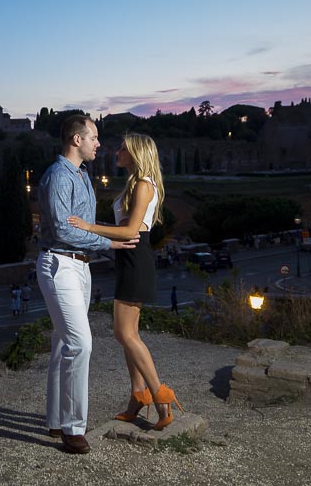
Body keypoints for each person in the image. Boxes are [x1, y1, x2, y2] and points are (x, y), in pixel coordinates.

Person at [67, 132, 183, 432]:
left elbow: (131, 231)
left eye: (122, 148)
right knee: (128, 334)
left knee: (125, 335)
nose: (116, 151)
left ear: (135, 153)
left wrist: (89, 228)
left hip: (135, 259)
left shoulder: (144, 185)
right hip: (129, 260)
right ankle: (137, 397)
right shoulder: (136, 184)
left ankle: (160, 394)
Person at [36, 115, 138, 454]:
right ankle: (73, 428)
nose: (99, 144)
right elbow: (65, 231)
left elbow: (87, 226)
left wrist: (113, 236)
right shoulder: (57, 177)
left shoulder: (82, 175)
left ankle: (55, 420)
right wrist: (109, 244)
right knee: (81, 344)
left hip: (80, 266)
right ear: (76, 140)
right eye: (93, 138)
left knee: (62, 343)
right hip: (59, 264)